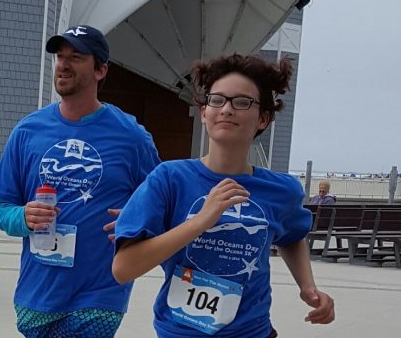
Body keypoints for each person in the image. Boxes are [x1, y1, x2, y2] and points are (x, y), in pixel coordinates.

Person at [113, 54, 335, 338]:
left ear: (263, 118)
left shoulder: (283, 190)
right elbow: (122, 268)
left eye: (242, 102)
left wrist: (308, 286)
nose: (227, 109)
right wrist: (199, 222)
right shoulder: (169, 179)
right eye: (217, 100)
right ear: (204, 112)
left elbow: (292, 235)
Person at [0, 25, 161, 337]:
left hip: (99, 295)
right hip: (37, 294)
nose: (64, 65)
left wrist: (140, 220)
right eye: (60, 57)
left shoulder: (131, 137)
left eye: (76, 57)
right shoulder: (28, 131)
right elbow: (2, 209)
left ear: (100, 70)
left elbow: (162, 204)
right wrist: (23, 218)